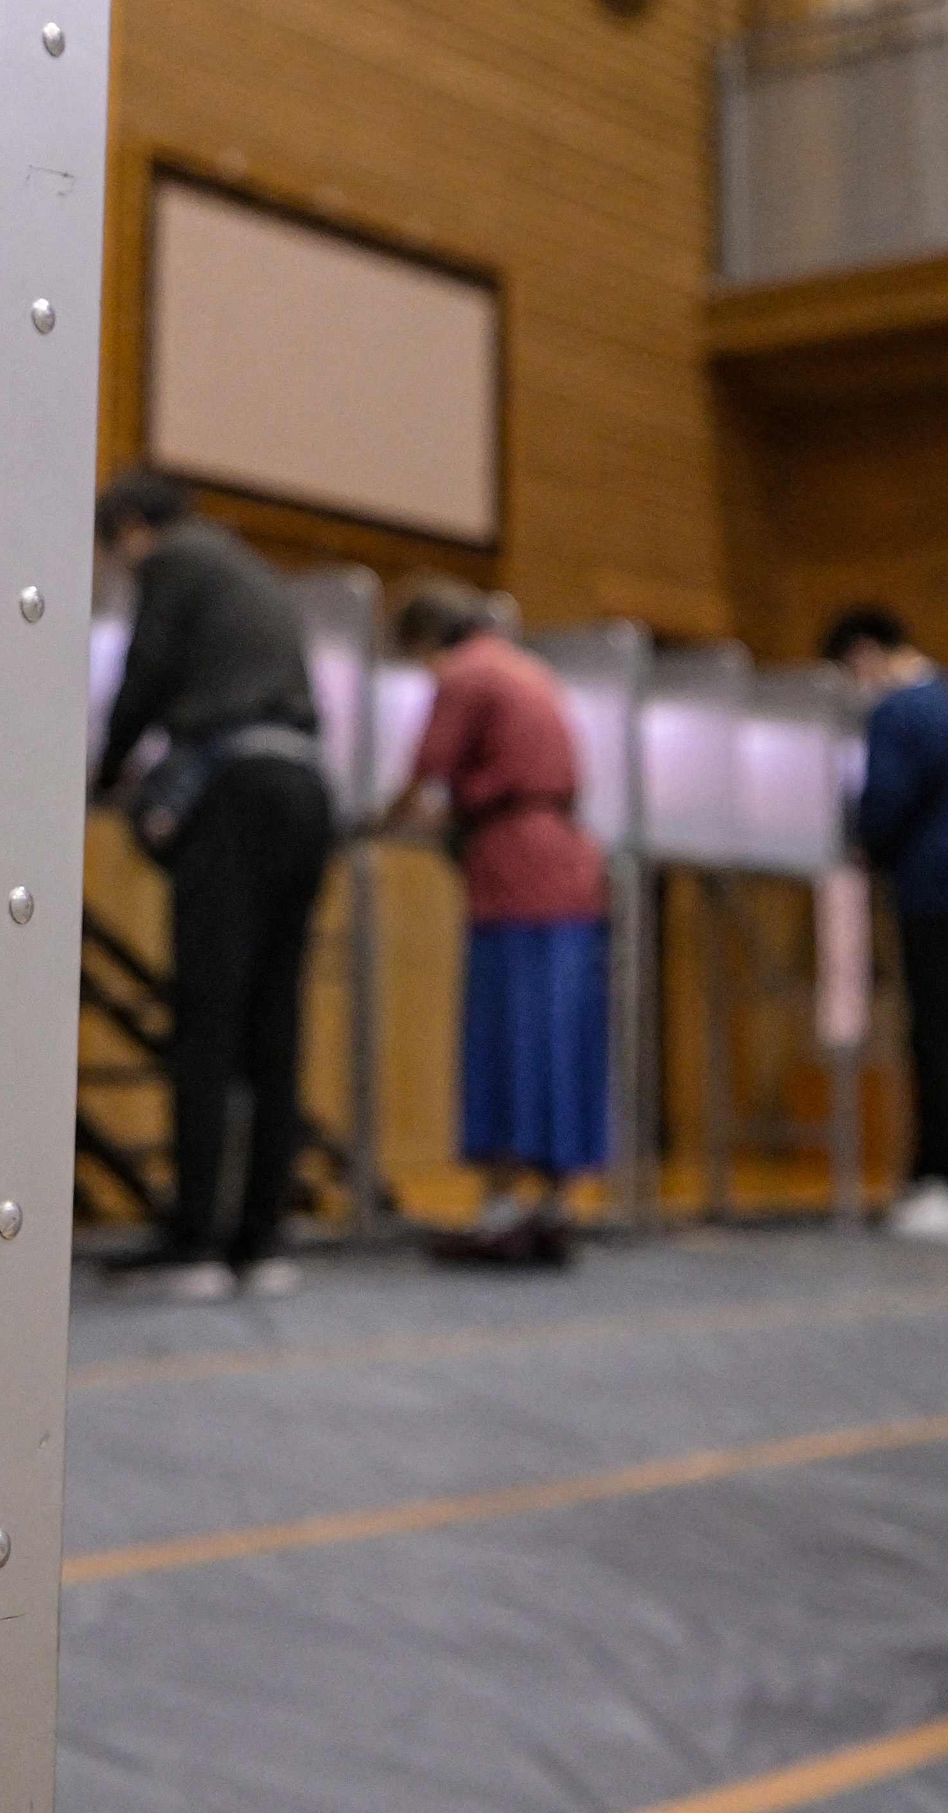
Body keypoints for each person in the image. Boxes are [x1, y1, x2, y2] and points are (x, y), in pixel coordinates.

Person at [93, 473, 334, 1302]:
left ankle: (194, 1241)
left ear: (130, 528)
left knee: (207, 1017)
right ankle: (261, 1241)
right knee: (275, 1023)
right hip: (304, 789)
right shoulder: (248, 565)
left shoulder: (175, 563)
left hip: (234, 794)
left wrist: (104, 770)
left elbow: (146, 671)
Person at [384, 579, 612, 1268]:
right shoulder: (528, 668)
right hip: (570, 866)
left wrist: (378, 821)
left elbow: (424, 774)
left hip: (513, 873)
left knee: (507, 1036)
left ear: (426, 640)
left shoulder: (464, 674)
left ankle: (501, 1207)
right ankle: (552, 1204)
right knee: (562, 1038)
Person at [822, 604, 948, 1250]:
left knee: (937, 1038)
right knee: (946, 1032)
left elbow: (884, 802)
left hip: (931, 891)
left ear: (864, 651)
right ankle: (945, 1179)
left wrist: (858, 841)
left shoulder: (898, 710)